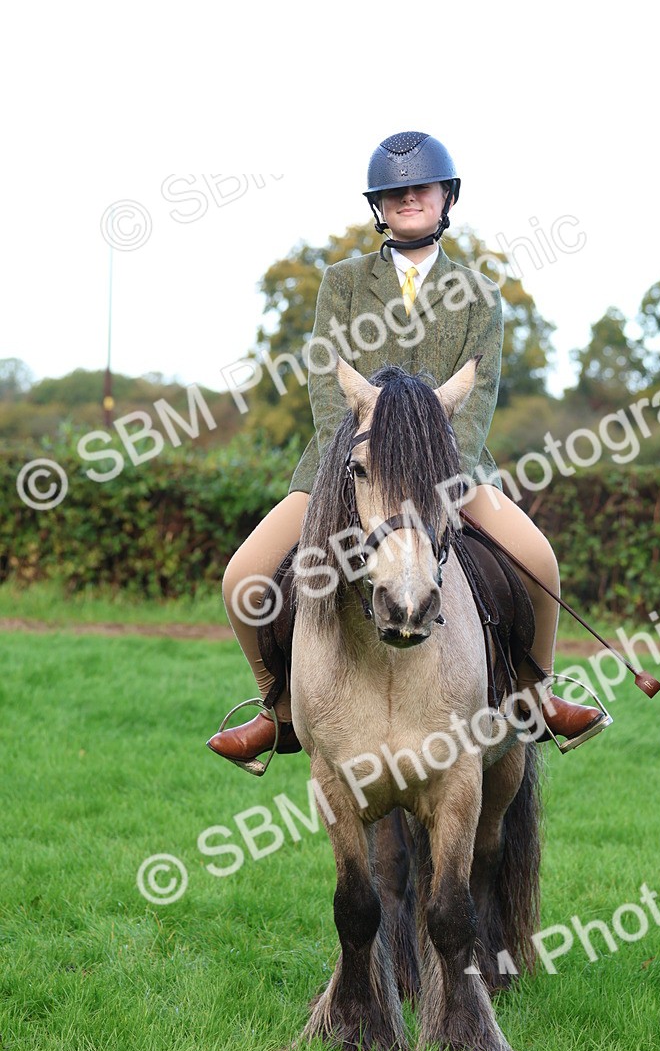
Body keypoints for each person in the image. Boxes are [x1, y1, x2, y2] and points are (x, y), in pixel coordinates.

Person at [207, 131, 611, 767]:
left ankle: (536, 693)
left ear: (446, 198)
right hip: (351, 468)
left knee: (541, 560)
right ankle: (276, 707)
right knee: (243, 579)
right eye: (394, 193)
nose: (408, 199)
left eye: (421, 188)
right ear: (379, 206)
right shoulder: (341, 283)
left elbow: (477, 399)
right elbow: (327, 383)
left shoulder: (480, 294)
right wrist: (349, 466)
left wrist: (438, 473)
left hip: (448, 472)